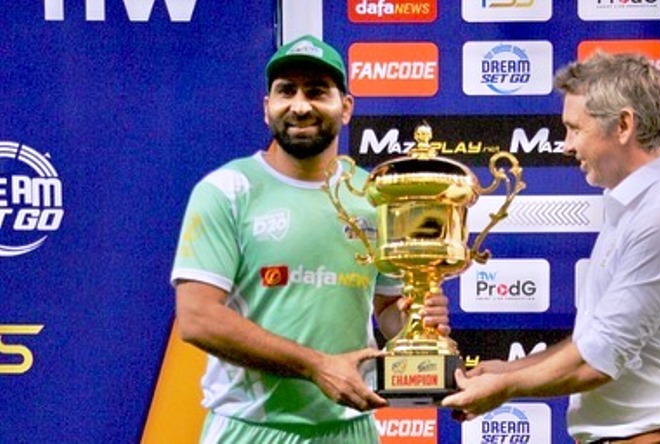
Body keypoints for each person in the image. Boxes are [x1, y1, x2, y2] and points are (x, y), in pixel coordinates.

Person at [170, 34, 450, 444]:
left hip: (349, 429)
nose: (300, 106)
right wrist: (316, 365)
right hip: (251, 431)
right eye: (287, 91)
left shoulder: (374, 196)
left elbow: (389, 304)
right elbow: (197, 319)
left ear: (347, 107)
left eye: (317, 91)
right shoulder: (226, 190)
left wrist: (418, 321)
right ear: (267, 109)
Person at [441, 52, 660, 444]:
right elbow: (591, 343)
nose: (565, 146)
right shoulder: (638, 206)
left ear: (624, 125)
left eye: (575, 129)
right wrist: (505, 372)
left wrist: (505, 389)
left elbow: (599, 361)